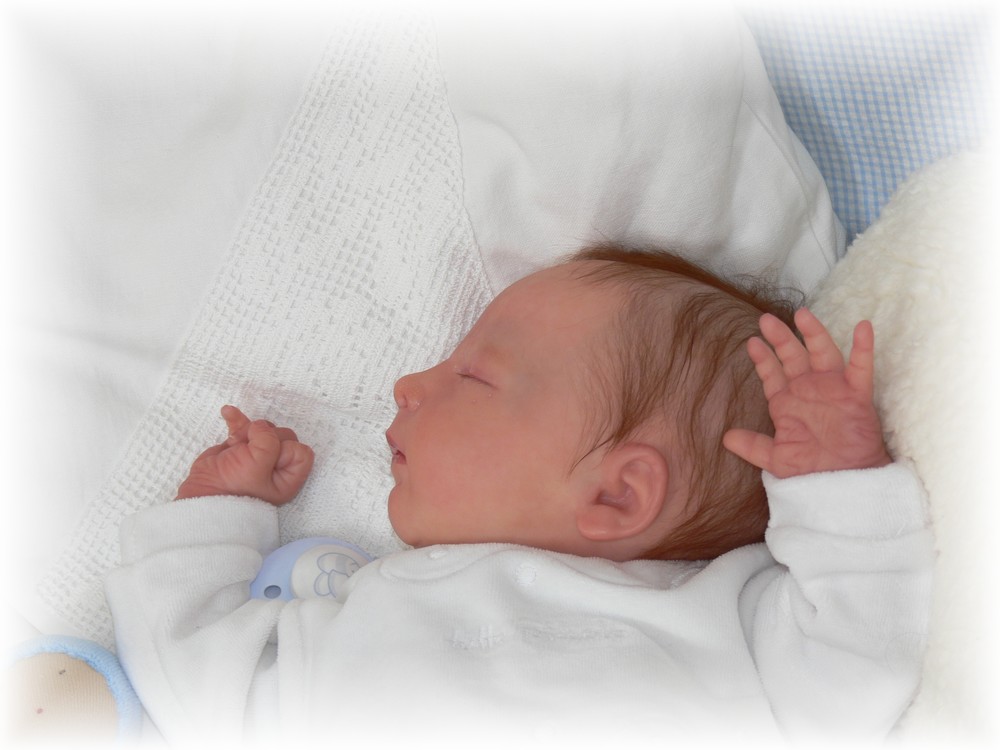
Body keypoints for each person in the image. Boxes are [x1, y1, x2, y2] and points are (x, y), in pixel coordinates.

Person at [106, 246, 932, 744]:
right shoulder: (369, 619)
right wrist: (215, 511)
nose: (408, 383)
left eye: (473, 375)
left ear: (618, 495)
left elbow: (861, 655)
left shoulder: (730, 623)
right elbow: (204, 685)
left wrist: (835, 480)